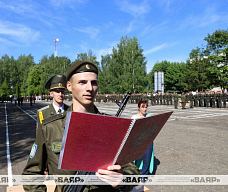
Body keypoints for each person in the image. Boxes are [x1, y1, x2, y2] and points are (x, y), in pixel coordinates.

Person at [22, 61, 140, 192]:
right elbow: (31, 175)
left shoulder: (111, 125)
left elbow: (133, 171)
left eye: (93, 83)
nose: (89, 88)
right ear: (69, 86)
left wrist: (123, 179)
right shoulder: (50, 127)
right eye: (82, 82)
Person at [131, 100, 154, 175]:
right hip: (137, 142)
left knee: (147, 160)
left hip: (148, 142)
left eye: (146, 107)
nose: (145, 109)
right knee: (135, 160)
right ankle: (134, 174)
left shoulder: (149, 116)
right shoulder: (134, 118)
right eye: (143, 107)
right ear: (139, 108)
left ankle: (144, 176)